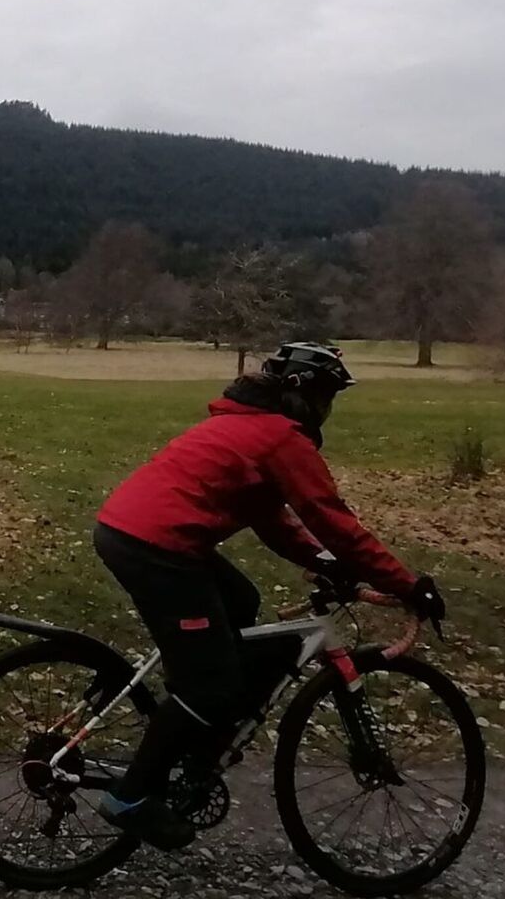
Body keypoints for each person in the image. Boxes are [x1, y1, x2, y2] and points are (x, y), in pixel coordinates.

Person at [90, 341, 444, 850]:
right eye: (325, 397)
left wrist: (324, 563)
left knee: (241, 604)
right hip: (156, 546)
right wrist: (408, 585)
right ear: (302, 394)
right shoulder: (280, 438)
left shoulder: (246, 425)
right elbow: (335, 523)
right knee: (209, 684)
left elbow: (272, 520)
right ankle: (131, 796)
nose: (327, 410)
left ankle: (197, 739)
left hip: (142, 533)